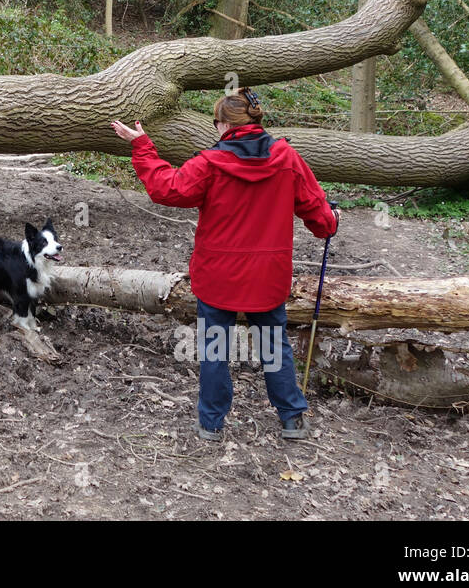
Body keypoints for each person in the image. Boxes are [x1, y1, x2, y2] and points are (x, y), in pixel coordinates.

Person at [111, 87, 339, 442]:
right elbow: (318, 213)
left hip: (218, 277)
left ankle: (211, 424)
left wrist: (142, 146)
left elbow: (167, 189)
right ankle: (291, 418)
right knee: (273, 345)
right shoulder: (286, 157)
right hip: (267, 278)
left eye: (215, 123)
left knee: (215, 349)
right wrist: (330, 221)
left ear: (223, 125)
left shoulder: (209, 163)